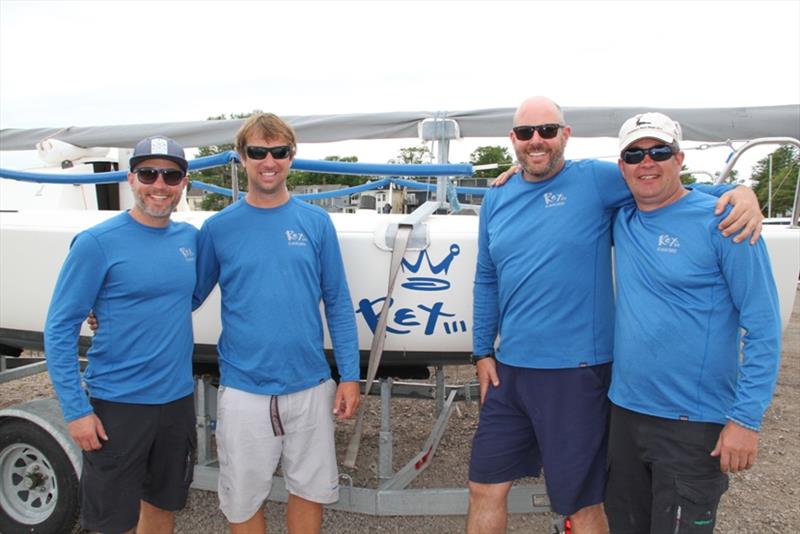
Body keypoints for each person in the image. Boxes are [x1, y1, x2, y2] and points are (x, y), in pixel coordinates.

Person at [466, 96, 764, 534]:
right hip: (509, 371)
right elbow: (486, 276)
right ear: (512, 139)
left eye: (547, 131)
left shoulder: (594, 180)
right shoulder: (497, 196)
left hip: (575, 372)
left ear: (565, 135)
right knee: (483, 486)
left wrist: (738, 192)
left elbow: (663, 185)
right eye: (526, 132)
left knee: (581, 504)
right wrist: (480, 351)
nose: (537, 140)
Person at [605, 112, 781, 533]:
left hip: (693, 424)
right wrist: (518, 168)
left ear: (679, 158)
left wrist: (746, 420)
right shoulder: (622, 217)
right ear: (622, 166)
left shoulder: (725, 221)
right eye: (635, 154)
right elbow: (557, 173)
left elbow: (763, 328)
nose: (647, 162)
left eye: (659, 151)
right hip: (625, 414)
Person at [192, 112, 360, 534]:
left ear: (292, 156)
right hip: (245, 388)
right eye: (258, 152)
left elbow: (338, 302)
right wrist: (114, 308)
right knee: (243, 498)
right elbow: (187, 297)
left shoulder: (316, 223)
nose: (269, 161)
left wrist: (350, 377)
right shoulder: (217, 228)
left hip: (309, 384)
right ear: (241, 157)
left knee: (310, 490)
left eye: (279, 152)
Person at [44, 136, 196, 534]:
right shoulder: (96, 243)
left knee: (162, 507)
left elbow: (186, 299)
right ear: (131, 178)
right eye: (148, 173)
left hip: (176, 401)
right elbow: (59, 329)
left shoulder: (190, 240)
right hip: (118, 404)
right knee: (112, 522)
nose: (159, 185)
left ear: (183, 182)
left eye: (170, 175)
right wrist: (76, 411)